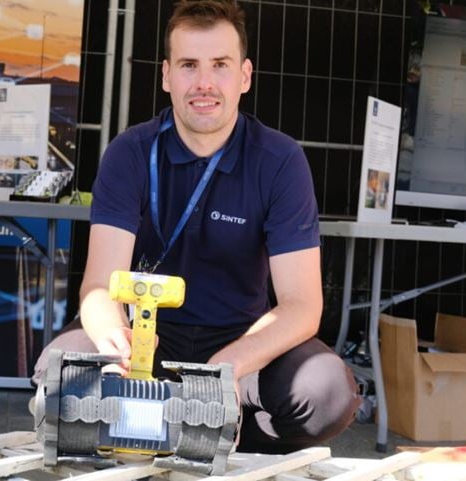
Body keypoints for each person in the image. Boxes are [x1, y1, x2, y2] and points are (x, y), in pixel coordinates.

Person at [33, 0, 359, 454]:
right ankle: (172, 426)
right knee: (58, 375)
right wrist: (114, 340)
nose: (204, 83)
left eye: (220, 65)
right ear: (166, 75)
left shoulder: (280, 161)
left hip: (240, 346)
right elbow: (99, 286)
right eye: (189, 65)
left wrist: (226, 367)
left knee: (327, 392)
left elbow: (302, 305)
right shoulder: (130, 153)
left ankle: (200, 432)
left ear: (244, 76)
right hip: (144, 340)